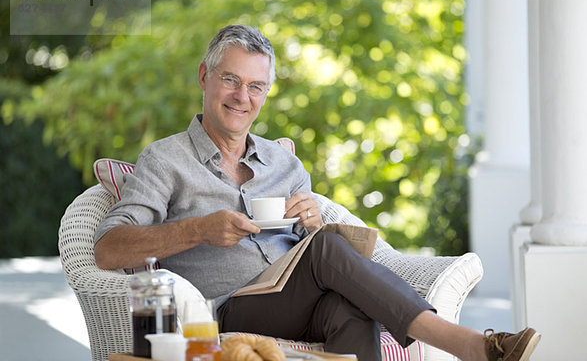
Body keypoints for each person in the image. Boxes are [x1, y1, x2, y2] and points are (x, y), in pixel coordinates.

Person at [94, 24, 540, 361]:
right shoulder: (165, 159)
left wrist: (313, 225)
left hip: (300, 295)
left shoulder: (285, 163)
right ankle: (468, 345)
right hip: (229, 308)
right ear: (204, 77)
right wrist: (199, 230)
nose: (241, 96)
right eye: (231, 80)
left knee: (348, 306)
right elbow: (108, 249)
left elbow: (315, 252)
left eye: (256, 86)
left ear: (266, 93)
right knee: (328, 250)